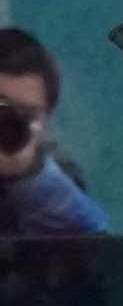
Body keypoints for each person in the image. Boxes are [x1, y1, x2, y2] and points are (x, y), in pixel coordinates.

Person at [0, 28, 107, 237]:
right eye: (1, 106)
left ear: (46, 119)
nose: (8, 122)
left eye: (27, 114)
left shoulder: (57, 173)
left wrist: (29, 176)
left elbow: (91, 237)